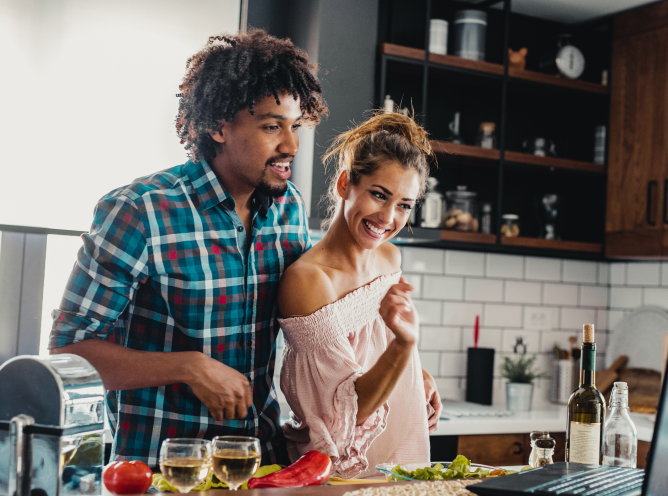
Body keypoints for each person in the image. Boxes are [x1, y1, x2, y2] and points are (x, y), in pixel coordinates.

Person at [48, 29, 327, 467]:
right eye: (272, 126)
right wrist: (188, 367)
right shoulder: (140, 210)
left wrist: (401, 366)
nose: (290, 146)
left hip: (262, 463)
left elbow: (320, 318)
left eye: (295, 126)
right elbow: (69, 353)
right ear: (218, 126)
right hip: (164, 470)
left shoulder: (288, 208)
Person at [277, 112, 443, 478]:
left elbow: (380, 343)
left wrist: (418, 372)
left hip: (401, 451)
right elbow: (346, 411)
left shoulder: (389, 256)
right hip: (340, 473)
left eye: (403, 205)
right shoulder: (307, 282)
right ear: (344, 184)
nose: (387, 217)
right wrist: (404, 348)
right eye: (379, 195)